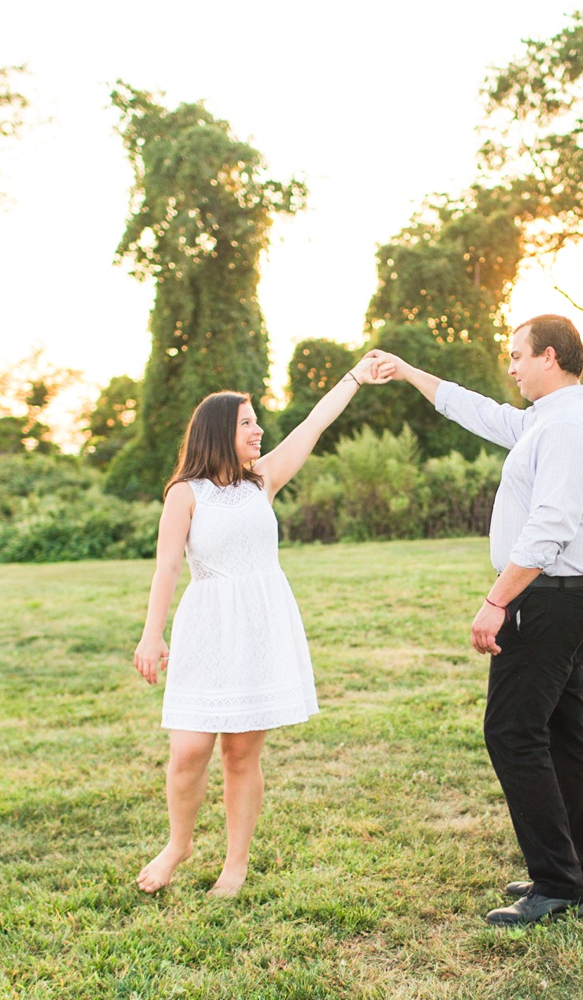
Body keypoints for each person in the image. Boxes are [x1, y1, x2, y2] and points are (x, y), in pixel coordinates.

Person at [368, 315, 583, 926]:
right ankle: (579, 871)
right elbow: (476, 412)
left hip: (548, 596)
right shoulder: (548, 419)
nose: (510, 366)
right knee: (562, 730)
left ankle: (557, 884)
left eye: (516, 356)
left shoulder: (565, 428)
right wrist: (405, 372)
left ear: (550, 357)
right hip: (563, 593)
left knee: (512, 732)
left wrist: (498, 600)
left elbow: (551, 524)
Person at [131, 355, 388, 897]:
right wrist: (152, 634)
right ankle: (178, 844)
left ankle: (236, 865)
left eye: (255, 422)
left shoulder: (263, 480)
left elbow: (313, 424)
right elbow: (167, 567)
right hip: (206, 629)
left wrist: (353, 379)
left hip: (259, 627)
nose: (258, 429)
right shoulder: (185, 494)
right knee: (189, 750)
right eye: (247, 422)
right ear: (220, 431)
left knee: (240, 754)